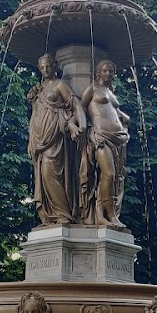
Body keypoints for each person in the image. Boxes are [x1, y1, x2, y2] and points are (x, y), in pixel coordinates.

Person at [27, 53, 86, 225]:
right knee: (44, 178)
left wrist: (81, 125)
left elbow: (75, 105)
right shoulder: (39, 89)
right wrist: (32, 139)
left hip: (57, 139)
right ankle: (50, 214)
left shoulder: (60, 85)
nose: (45, 70)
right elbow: (36, 114)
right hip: (39, 141)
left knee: (51, 173)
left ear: (55, 66)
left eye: (48, 66)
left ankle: (63, 214)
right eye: (42, 67)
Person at [80, 59, 130, 229]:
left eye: (110, 71)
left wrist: (123, 116)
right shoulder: (93, 88)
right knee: (108, 174)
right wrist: (85, 130)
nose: (108, 73)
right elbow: (80, 108)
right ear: (98, 72)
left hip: (118, 138)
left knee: (113, 177)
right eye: (104, 70)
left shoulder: (111, 92)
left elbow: (111, 110)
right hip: (100, 136)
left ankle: (106, 214)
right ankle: (105, 214)